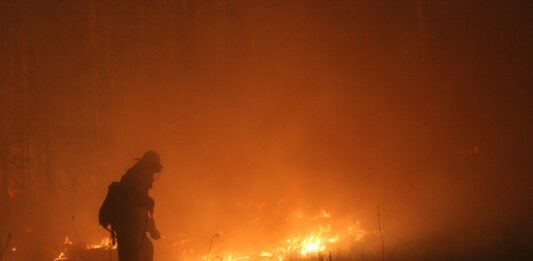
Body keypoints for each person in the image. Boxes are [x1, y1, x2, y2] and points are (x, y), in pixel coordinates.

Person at [114, 151, 162, 261]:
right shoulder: (134, 180)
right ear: (148, 167)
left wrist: (151, 228)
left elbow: (141, 213)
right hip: (129, 232)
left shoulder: (138, 180)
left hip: (133, 230)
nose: (152, 177)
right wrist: (147, 201)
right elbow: (133, 211)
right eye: (153, 171)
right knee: (133, 256)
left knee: (147, 249)